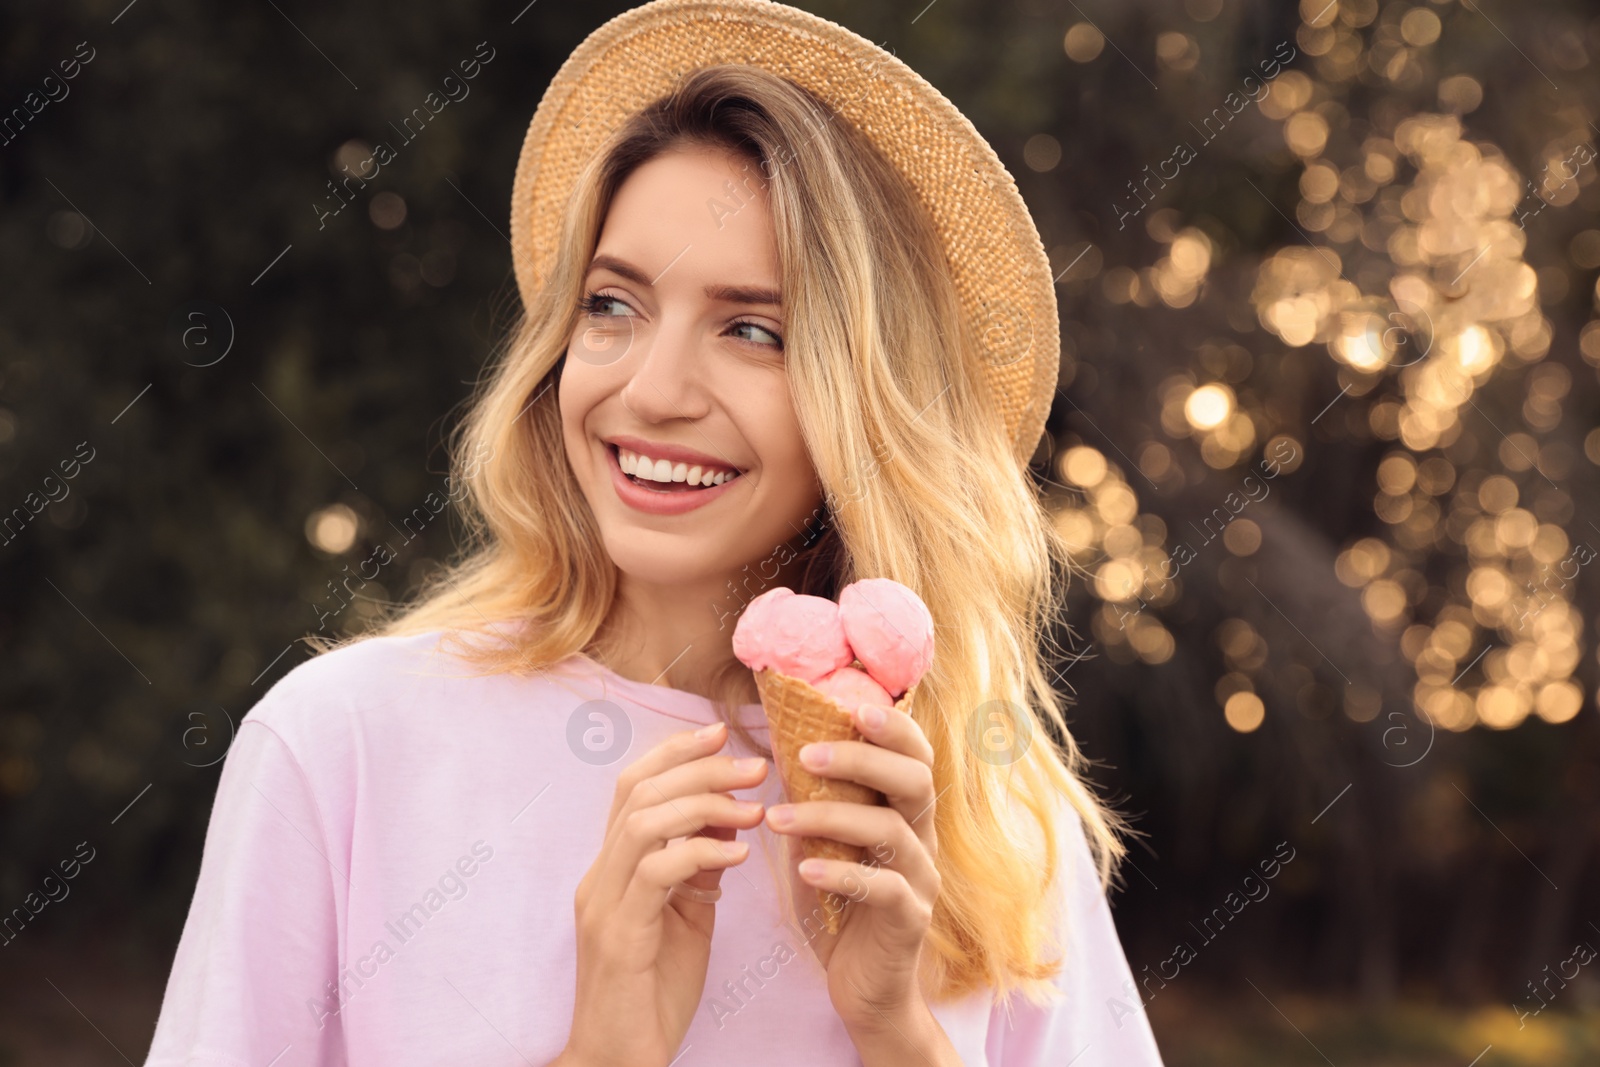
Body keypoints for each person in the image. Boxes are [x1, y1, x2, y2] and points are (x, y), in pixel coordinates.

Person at [143, 1, 1166, 1064]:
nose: (653, 388)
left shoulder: (988, 815)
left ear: (869, 399)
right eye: (614, 305)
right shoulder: (340, 745)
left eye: (753, 329)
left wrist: (895, 1030)